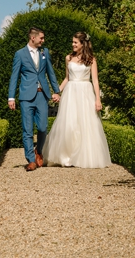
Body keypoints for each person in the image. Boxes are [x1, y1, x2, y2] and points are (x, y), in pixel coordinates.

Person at [44, 31, 111, 168]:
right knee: (69, 124)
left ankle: (83, 157)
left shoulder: (91, 59)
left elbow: (95, 81)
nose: (72, 44)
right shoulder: (68, 58)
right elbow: (67, 78)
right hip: (71, 93)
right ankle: (67, 156)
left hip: (85, 92)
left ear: (83, 44)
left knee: (85, 124)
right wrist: (57, 92)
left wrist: (98, 99)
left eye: (75, 42)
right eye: (73, 42)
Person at [8, 27, 61, 171]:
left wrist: (56, 91)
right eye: (41, 38)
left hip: (41, 95)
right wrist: (11, 97)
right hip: (26, 96)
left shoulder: (45, 52)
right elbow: (14, 77)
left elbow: (50, 72)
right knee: (27, 130)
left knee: (43, 127)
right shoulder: (19, 54)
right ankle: (30, 160)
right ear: (33, 38)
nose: (43, 41)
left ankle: (39, 150)